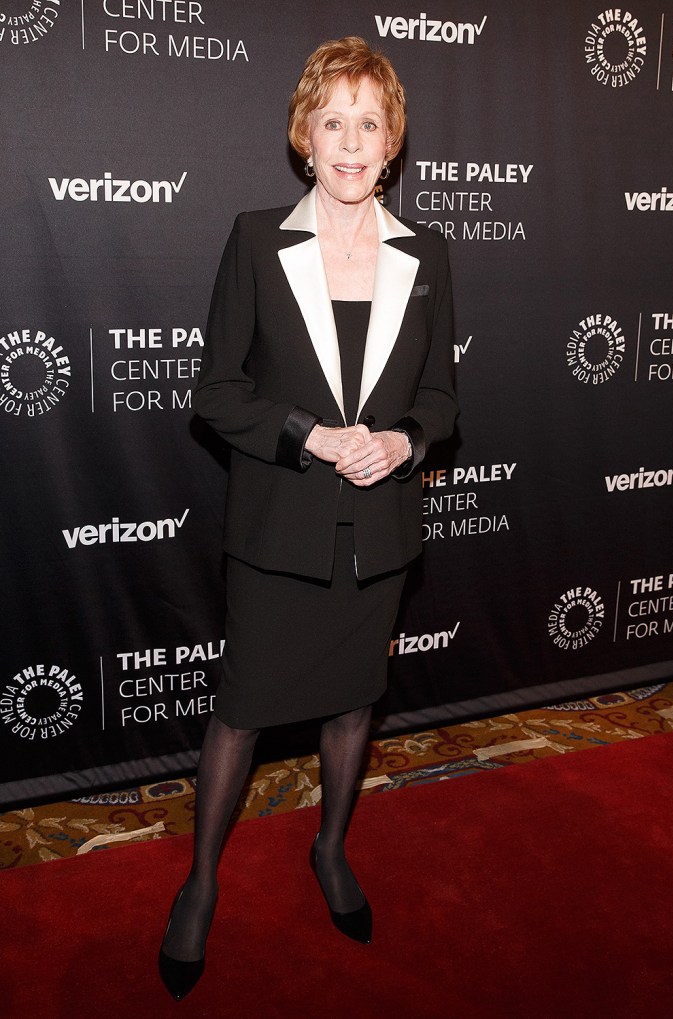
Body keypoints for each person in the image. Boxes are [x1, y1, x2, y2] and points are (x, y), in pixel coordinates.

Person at [158, 35, 458, 1000]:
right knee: (242, 711)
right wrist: (312, 436)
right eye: (333, 120)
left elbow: (444, 399)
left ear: (391, 140)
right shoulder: (257, 239)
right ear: (304, 136)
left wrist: (404, 441)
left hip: (378, 535)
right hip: (278, 526)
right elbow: (217, 392)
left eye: (369, 122)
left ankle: (331, 849)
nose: (350, 141)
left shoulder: (426, 256)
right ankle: (200, 882)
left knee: (352, 703)